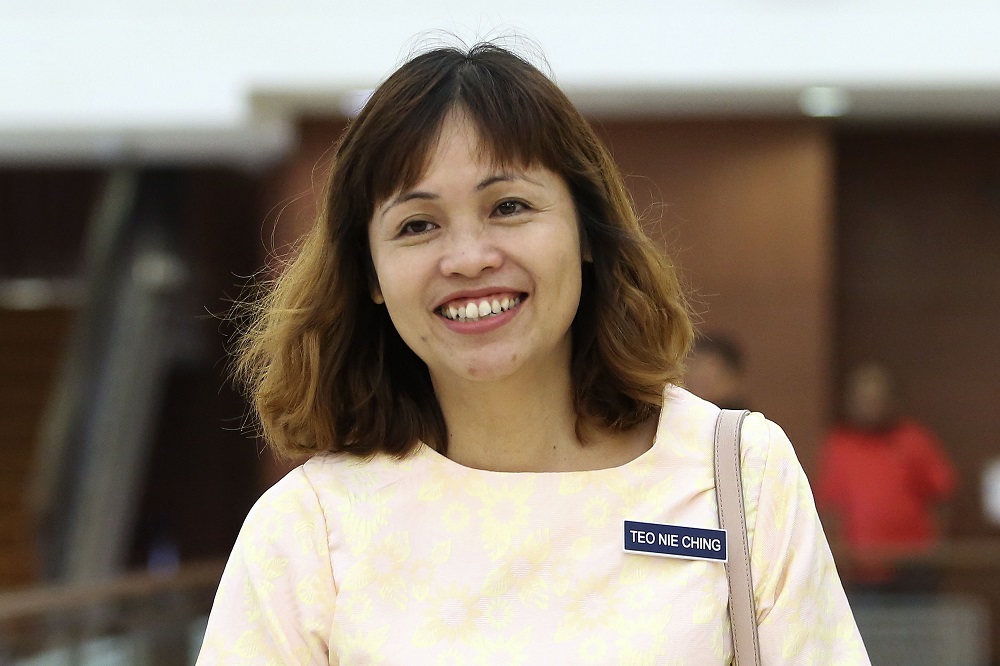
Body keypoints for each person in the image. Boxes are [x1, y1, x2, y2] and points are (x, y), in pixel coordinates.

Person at [197, 42, 869, 664]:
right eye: (418, 225)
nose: (468, 258)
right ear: (370, 274)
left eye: (509, 206)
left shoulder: (738, 475)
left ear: (585, 229)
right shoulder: (307, 529)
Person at [816, 363, 957, 593]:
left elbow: (942, 498)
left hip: (913, 568)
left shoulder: (915, 441)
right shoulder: (838, 446)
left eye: (876, 398)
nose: (870, 406)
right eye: (863, 399)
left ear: (891, 400)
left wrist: (935, 551)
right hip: (859, 573)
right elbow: (830, 508)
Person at [685, 334, 748, 410]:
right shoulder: (677, 413)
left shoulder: (744, 420)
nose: (695, 378)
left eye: (705, 382)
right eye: (695, 367)